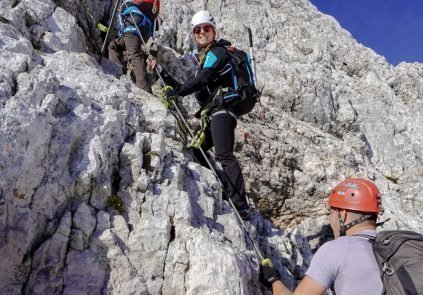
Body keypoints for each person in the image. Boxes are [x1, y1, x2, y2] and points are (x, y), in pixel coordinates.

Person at [160, 10, 251, 219]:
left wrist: (180, 92)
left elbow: (203, 79)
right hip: (215, 113)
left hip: (223, 111)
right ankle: (223, 186)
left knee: (224, 155)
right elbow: (195, 82)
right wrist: (165, 76)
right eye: (197, 30)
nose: (202, 32)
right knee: (198, 150)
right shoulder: (206, 57)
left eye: (206, 28)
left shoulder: (217, 52)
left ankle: (240, 205)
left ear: (214, 30)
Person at [260, 178, 384, 294]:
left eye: (331, 211)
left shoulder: (336, 249)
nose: (330, 219)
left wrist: (273, 280)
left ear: (343, 214)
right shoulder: (390, 249)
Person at [108, 0, 159, 93]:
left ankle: (145, 89)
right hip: (144, 26)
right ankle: (117, 71)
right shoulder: (150, 7)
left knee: (134, 54)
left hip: (133, 22)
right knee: (113, 46)